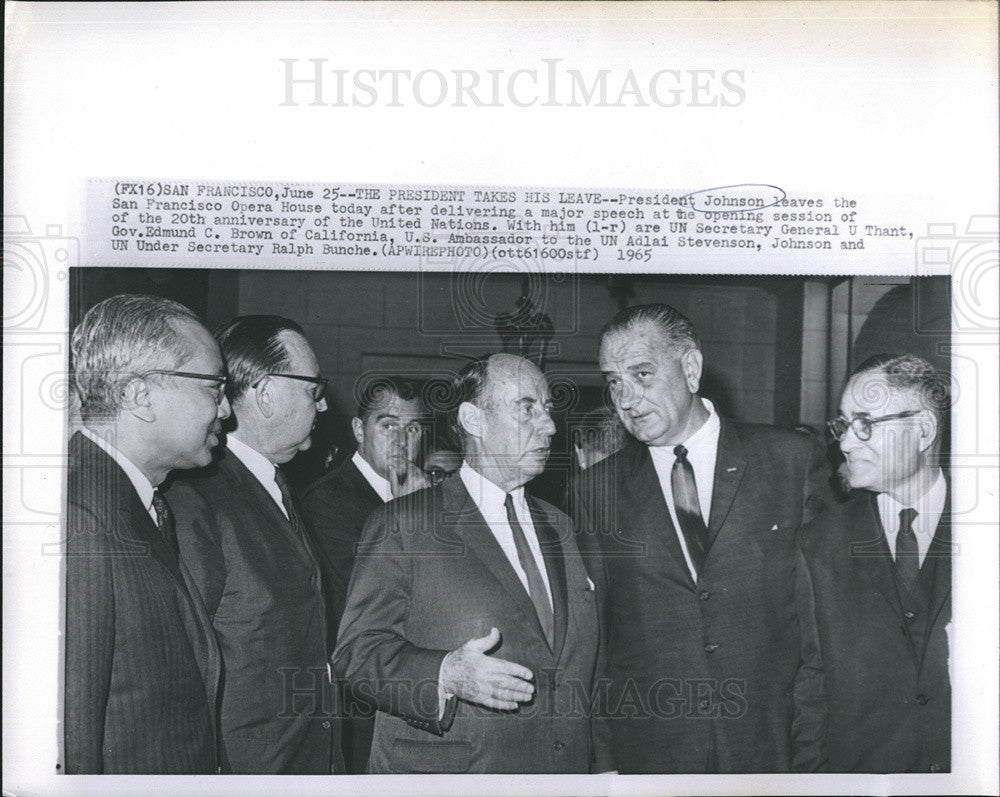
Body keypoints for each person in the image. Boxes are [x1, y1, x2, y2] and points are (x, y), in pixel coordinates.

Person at [571, 303, 829, 774]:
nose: (626, 398)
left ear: (690, 368)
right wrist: (605, 763)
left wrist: (813, 752)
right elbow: (599, 643)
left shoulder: (790, 461)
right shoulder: (595, 490)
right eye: (613, 381)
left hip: (773, 745)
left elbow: (820, 630)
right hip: (652, 755)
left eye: (642, 374)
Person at [333, 354, 611, 773]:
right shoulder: (403, 524)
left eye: (548, 410)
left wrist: (601, 766)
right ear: (473, 420)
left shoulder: (562, 527)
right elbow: (355, 654)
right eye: (527, 408)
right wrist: (446, 674)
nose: (550, 426)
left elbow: (585, 664)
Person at [167, 316, 342, 774]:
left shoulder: (275, 485)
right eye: (313, 391)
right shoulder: (198, 498)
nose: (322, 408)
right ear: (265, 394)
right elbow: (182, 672)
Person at [64, 294, 229, 774]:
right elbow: (74, 746)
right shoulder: (82, 520)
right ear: (138, 395)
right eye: (213, 389)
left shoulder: (142, 502)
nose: (224, 411)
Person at [802, 354, 951, 772]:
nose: (846, 443)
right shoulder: (819, 543)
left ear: (923, 430)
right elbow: (809, 691)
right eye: (843, 425)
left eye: (865, 423)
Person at [299, 376, 429, 773]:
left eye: (413, 428)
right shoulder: (326, 501)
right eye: (387, 426)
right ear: (359, 430)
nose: (402, 441)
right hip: (362, 711)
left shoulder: (429, 497)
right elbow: (375, 612)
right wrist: (412, 517)